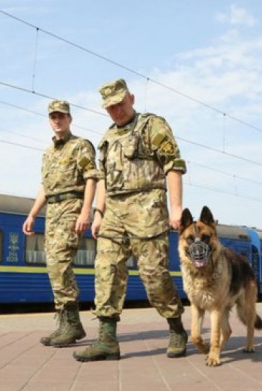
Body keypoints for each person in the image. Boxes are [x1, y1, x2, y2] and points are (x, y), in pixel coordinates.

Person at [73, 79, 188, 362]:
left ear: (132, 98)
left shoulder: (152, 126)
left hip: (147, 208)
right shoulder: (107, 138)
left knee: (153, 275)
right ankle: (107, 340)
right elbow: (103, 181)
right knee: (106, 270)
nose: (116, 111)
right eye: (110, 108)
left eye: (120, 104)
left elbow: (173, 165)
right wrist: (98, 214)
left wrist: (176, 208)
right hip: (114, 212)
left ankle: (176, 328)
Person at [23, 100, 98, 347]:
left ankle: (73, 324)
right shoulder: (48, 152)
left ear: (70, 119)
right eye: (53, 116)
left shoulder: (81, 146)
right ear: (49, 120)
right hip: (53, 211)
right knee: (53, 265)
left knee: (60, 262)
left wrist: (86, 211)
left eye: (61, 116)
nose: (57, 120)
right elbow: (45, 186)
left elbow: (91, 179)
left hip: (71, 207)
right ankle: (66, 322)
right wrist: (33, 214)